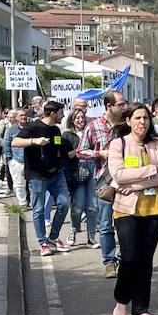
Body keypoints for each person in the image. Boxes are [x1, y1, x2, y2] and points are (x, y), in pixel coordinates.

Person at [107, 104, 158, 315]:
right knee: (130, 257)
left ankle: (141, 308)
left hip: (155, 208)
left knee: (145, 259)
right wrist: (149, 170)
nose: (142, 122)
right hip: (126, 209)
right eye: (137, 118)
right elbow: (117, 174)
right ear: (128, 121)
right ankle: (122, 298)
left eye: (145, 118)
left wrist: (135, 184)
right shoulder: (119, 144)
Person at [13, 101, 71, 256]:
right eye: (60, 113)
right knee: (38, 209)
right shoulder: (33, 127)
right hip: (37, 175)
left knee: (64, 203)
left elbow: (58, 149)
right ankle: (42, 242)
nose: (63, 116)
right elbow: (15, 142)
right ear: (52, 113)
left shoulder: (56, 130)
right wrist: (34, 141)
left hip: (56, 174)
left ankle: (53, 236)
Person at [81, 91, 127, 279]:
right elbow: (81, 151)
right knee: (106, 224)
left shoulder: (127, 125)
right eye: (121, 104)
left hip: (126, 181)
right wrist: (100, 154)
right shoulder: (93, 126)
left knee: (126, 224)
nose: (124, 107)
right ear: (109, 106)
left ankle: (125, 259)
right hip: (104, 181)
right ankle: (109, 261)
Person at [63, 106, 97, 247]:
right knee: (77, 205)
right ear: (72, 119)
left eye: (82, 117)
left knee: (92, 206)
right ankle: (74, 229)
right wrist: (79, 150)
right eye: (77, 118)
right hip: (77, 170)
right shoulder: (67, 135)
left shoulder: (91, 131)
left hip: (92, 168)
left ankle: (91, 237)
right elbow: (65, 156)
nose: (80, 120)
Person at [3, 108, 29, 208]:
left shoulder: (31, 128)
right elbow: (7, 144)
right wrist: (9, 160)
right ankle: (23, 203)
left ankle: (31, 202)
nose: (23, 117)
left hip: (31, 161)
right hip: (17, 160)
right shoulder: (11, 130)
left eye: (24, 115)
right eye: (21, 115)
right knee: (20, 184)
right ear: (16, 118)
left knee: (32, 184)